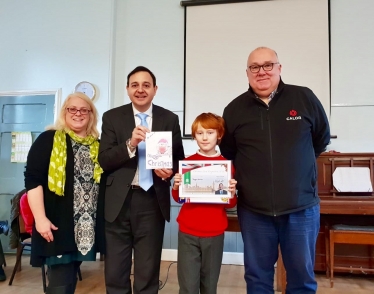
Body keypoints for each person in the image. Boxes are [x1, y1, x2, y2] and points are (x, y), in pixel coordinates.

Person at [220, 47, 330, 293]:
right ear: (247, 73)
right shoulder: (234, 110)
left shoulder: (304, 98)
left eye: (268, 65)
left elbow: (320, 140)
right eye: (254, 67)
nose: (262, 72)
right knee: (257, 279)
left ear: (279, 68)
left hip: (300, 209)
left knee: (302, 279)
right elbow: (229, 152)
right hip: (254, 212)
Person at [99, 66, 185, 294]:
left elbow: (179, 160)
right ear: (127, 89)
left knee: (148, 269)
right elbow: (104, 160)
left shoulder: (169, 118)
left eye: (146, 85)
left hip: (152, 200)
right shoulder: (112, 117)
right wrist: (130, 144)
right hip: (119, 201)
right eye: (135, 85)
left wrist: (169, 171)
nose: (140, 90)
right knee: (116, 269)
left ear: (155, 89)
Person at [24, 92, 105, 294]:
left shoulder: (98, 146)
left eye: (84, 110)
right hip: (59, 226)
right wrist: (40, 219)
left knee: (69, 280)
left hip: (87, 228)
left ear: (91, 115)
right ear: (64, 112)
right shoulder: (49, 139)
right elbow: (33, 180)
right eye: (72, 109)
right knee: (60, 283)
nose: (78, 113)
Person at [172, 112, 237, 294]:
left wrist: (231, 192)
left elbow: (230, 204)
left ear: (219, 135)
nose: (205, 137)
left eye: (210, 132)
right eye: (200, 133)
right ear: (194, 136)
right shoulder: (187, 163)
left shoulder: (226, 165)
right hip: (188, 231)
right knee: (188, 286)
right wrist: (177, 186)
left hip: (214, 232)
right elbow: (178, 198)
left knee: (209, 286)